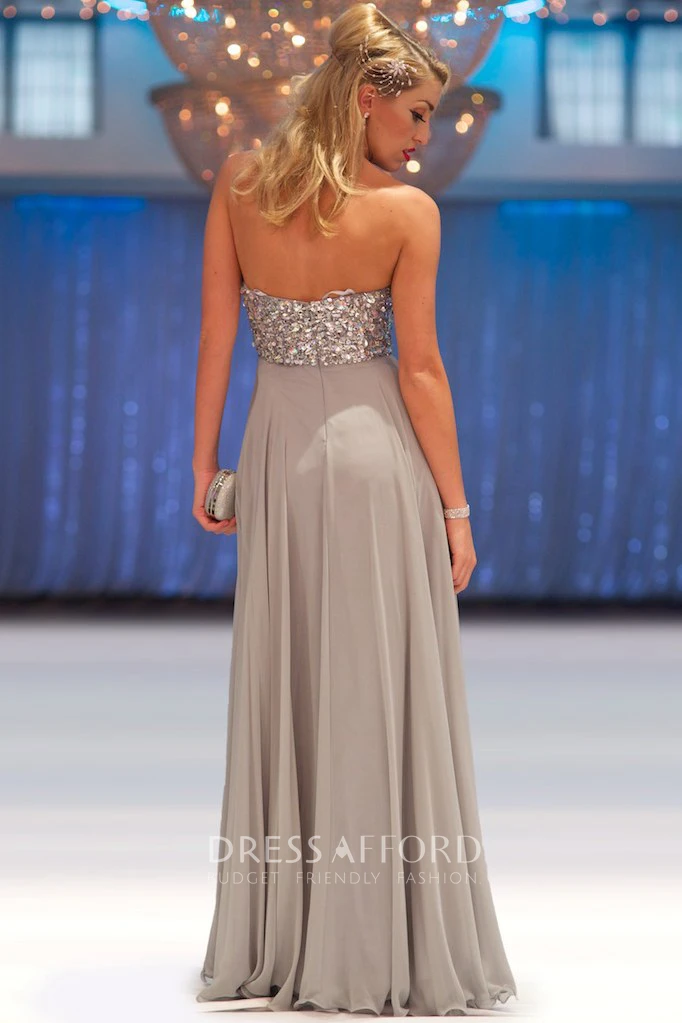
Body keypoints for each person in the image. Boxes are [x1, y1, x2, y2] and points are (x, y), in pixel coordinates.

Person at [191, 2, 518, 1015]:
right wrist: (457, 512)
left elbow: (215, 335)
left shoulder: (240, 180)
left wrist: (204, 467)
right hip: (376, 459)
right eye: (416, 113)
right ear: (365, 98)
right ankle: (381, 939)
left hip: (275, 450)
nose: (425, 138)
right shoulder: (407, 214)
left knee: (294, 674)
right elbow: (420, 370)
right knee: (375, 682)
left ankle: (291, 937)